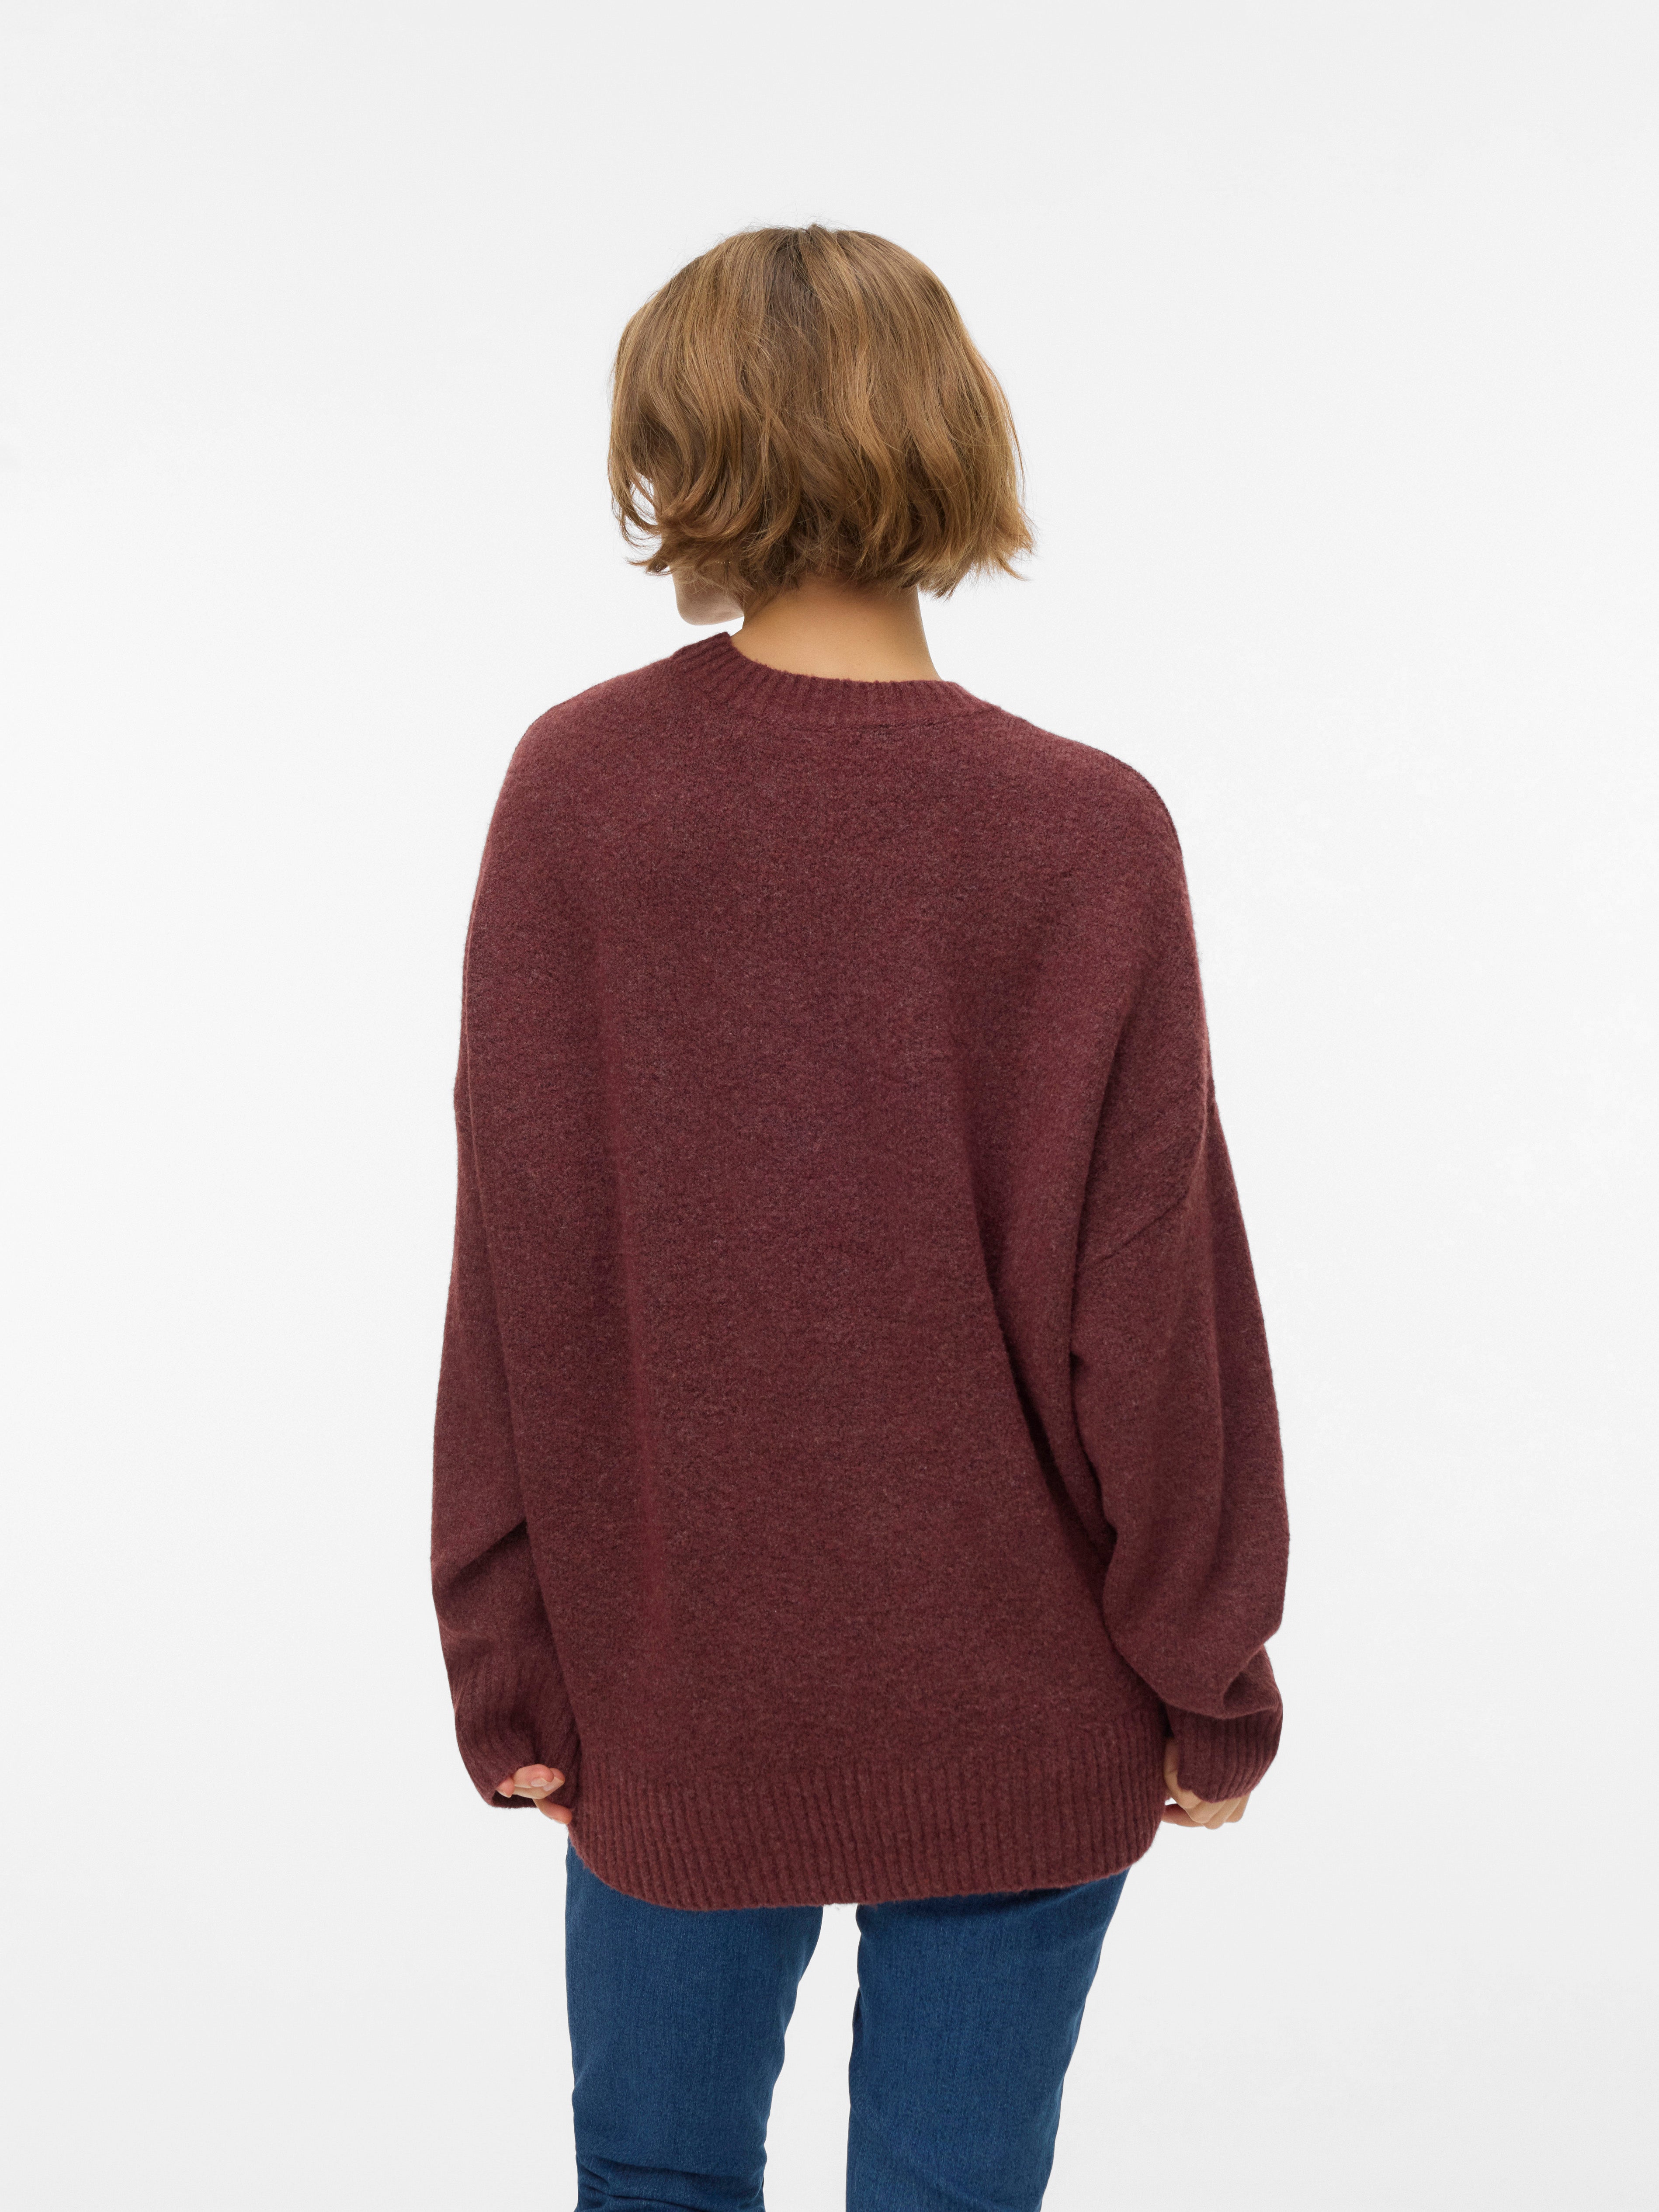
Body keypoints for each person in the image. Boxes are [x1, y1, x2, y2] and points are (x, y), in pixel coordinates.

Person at [431, 224, 1289, 2212]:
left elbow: (520, 1267)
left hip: (672, 1679)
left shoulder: (583, 794)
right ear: (954, 438)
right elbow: (1151, 1304)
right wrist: (1206, 1671)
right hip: (1024, 1690)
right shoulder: (1083, 828)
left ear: (675, 457)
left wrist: (505, 1646)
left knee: (654, 2177)